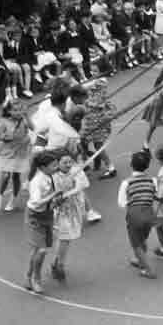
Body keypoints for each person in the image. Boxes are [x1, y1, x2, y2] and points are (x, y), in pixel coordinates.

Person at [117, 151, 159, 279]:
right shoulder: (153, 180)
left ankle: (148, 270)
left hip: (135, 213)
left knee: (136, 244)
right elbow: (157, 195)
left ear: (131, 165)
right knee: (142, 238)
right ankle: (139, 260)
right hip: (149, 212)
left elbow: (121, 203)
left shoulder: (126, 183)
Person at [24, 150, 62, 294]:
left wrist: (57, 199)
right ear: (42, 167)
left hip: (47, 214)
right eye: (53, 165)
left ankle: (28, 276)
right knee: (41, 250)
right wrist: (54, 194)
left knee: (37, 250)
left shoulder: (49, 176)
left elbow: (51, 200)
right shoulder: (37, 181)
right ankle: (36, 279)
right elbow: (36, 201)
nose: (56, 167)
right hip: (35, 216)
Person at [50, 147, 89, 282]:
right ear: (57, 163)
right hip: (60, 211)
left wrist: (67, 193)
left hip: (75, 208)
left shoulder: (76, 171)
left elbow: (80, 187)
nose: (68, 165)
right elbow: (49, 192)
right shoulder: (52, 175)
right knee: (65, 237)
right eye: (64, 162)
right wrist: (57, 197)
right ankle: (59, 265)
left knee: (66, 238)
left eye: (70, 161)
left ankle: (56, 261)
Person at [0, 99, 33, 212]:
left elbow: (33, 128)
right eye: (15, 110)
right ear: (9, 111)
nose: (18, 112)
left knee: (16, 177)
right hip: (8, 152)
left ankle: (13, 200)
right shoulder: (4, 121)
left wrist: (27, 115)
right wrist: (6, 137)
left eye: (20, 109)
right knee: (5, 175)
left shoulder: (24, 120)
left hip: (20, 151)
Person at [80, 79, 117, 179]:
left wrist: (109, 116)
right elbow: (81, 88)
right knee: (82, 143)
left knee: (98, 146)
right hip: (89, 125)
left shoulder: (103, 98)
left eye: (103, 88)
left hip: (98, 127)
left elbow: (112, 109)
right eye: (100, 88)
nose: (102, 91)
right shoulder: (90, 95)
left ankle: (111, 167)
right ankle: (91, 161)